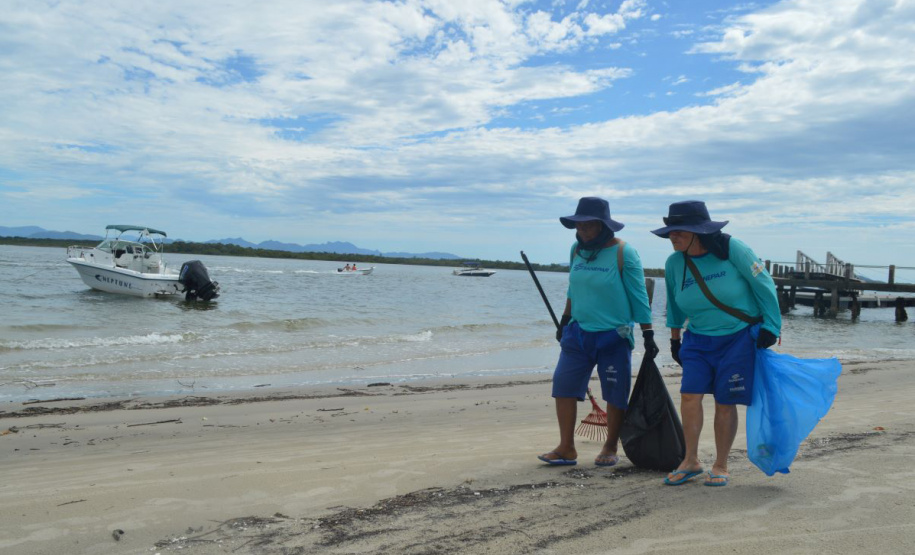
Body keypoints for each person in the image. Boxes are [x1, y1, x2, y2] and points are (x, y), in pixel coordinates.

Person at [651, 200, 781, 487]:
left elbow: (764, 284)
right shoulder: (675, 263)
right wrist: (674, 340)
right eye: (671, 231)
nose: (673, 236)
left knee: (725, 400)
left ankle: (721, 464)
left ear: (699, 232)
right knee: (689, 395)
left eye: (680, 231)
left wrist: (772, 326)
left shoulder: (733, 249)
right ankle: (690, 460)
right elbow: (674, 304)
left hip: (737, 338)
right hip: (697, 339)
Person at [538, 197, 659, 467]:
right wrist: (565, 320)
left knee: (615, 392)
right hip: (577, 332)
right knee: (563, 387)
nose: (583, 231)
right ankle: (566, 447)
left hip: (613, 335)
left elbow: (639, 295)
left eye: (589, 226)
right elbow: (573, 288)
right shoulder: (576, 250)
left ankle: (610, 445)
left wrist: (648, 333)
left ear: (604, 226)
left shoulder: (623, 253)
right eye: (579, 227)